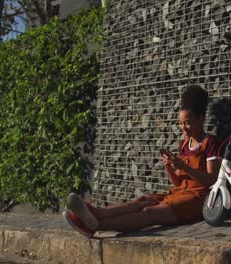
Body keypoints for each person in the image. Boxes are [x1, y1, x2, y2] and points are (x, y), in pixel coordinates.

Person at [63, 85, 221, 237]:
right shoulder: (184, 144)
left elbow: (212, 180)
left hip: (198, 200)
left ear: (201, 119)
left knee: (149, 212)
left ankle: (94, 225)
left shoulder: (210, 142)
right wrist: (170, 168)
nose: (183, 127)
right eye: (180, 123)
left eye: (187, 122)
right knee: (143, 200)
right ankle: (94, 213)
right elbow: (179, 184)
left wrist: (184, 167)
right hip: (180, 193)